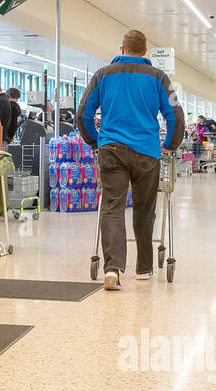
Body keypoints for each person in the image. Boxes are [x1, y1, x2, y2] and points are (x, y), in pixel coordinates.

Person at [77, 29, 185, 291]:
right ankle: (144, 269)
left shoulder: (102, 75)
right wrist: (170, 144)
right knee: (144, 208)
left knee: (112, 206)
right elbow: (176, 115)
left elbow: (83, 114)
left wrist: (95, 141)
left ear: (121, 49)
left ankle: (112, 269)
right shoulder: (159, 77)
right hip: (147, 152)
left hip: (111, 150)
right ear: (146, 52)